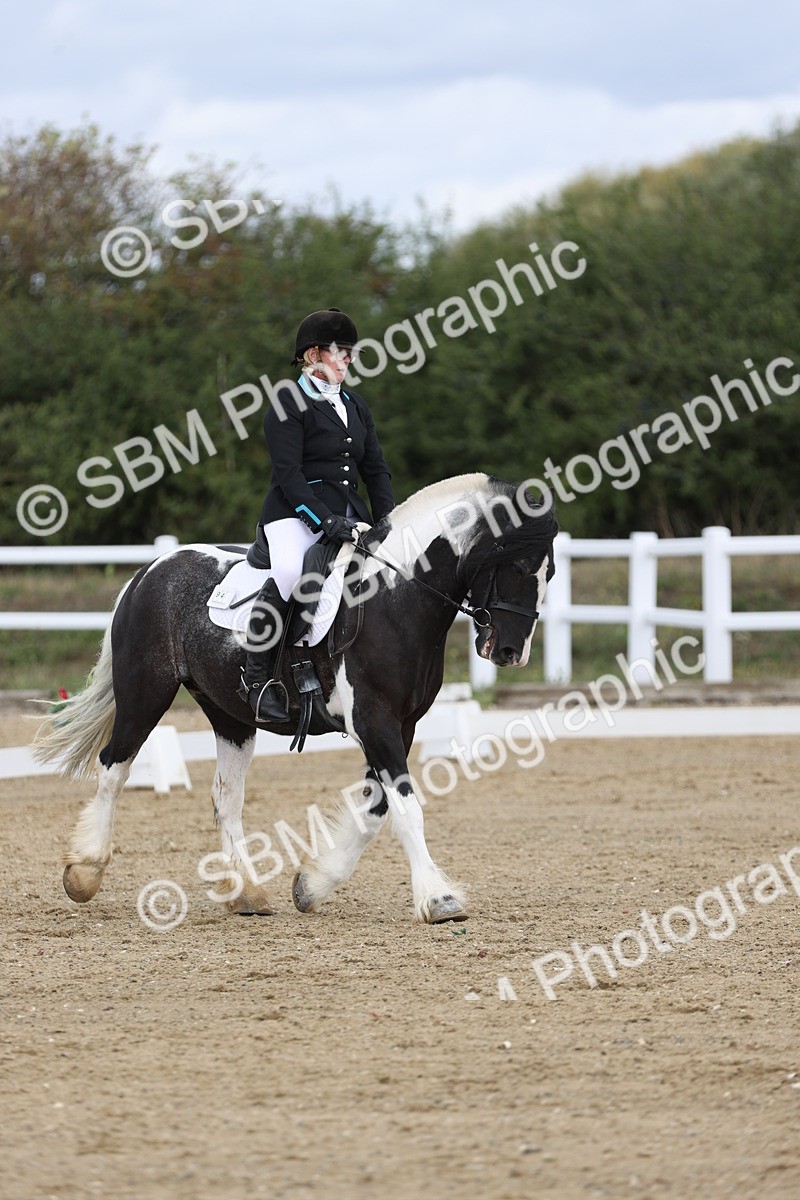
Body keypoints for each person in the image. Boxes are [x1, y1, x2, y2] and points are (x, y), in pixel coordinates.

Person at [238, 308, 395, 723]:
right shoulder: (287, 403)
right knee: (292, 572)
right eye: (341, 352)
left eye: (351, 353)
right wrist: (325, 521)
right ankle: (257, 679)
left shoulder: (355, 405)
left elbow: (375, 470)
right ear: (313, 355)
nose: (349, 359)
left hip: (349, 514)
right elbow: (289, 476)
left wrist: (389, 521)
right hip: (293, 514)